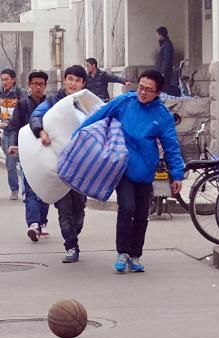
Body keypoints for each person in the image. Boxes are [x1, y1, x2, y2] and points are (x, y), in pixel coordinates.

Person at [76, 69, 184, 273]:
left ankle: (135, 255)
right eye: (141, 87)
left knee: (142, 214)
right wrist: (78, 136)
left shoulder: (162, 115)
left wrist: (176, 174)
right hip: (122, 167)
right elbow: (99, 115)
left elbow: (171, 146)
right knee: (127, 207)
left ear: (158, 93)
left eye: (148, 90)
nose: (142, 93)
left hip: (145, 171)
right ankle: (122, 252)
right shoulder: (125, 102)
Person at [28, 65, 88, 263]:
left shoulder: (87, 103)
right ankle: (71, 246)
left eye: (78, 80)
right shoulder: (52, 101)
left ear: (83, 84)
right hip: (59, 164)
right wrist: (41, 132)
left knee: (79, 208)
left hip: (80, 165)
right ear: (65, 80)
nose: (73, 83)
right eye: (70, 79)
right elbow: (36, 116)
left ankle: (74, 234)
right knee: (64, 208)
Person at [8, 70, 50, 241]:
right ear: (29, 85)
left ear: (45, 86)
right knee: (31, 187)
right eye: (35, 84)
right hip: (27, 152)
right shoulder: (22, 105)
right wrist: (13, 144)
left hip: (47, 151)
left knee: (45, 189)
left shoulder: (51, 104)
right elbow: (14, 126)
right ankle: (33, 223)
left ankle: (42, 222)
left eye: (41, 84)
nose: (38, 87)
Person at [0, 68, 23, 200]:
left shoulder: (19, 93)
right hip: (6, 131)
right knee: (10, 164)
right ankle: (14, 189)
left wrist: (13, 122)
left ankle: (25, 192)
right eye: (2, 79)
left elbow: (23, 110)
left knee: (23, 163)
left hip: (18, 131)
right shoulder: (0, 91)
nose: (4, 82)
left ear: (13, 80)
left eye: (6, 79)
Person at [155, 26, 176, 95]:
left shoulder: (167, 44)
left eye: (157, 34)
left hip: (165, 72)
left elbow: (166, 59)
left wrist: (163, 72)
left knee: (165, 87)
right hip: (161, 71)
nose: (156, 36)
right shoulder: (164, 44)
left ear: (161, 35)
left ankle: (176, 95)